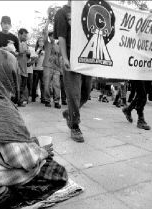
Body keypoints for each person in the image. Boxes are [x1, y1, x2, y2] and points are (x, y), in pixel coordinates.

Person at [0, 49, 68, 209]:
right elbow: (23, 159)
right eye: (13, 72)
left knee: (34, 148)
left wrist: (32, 144)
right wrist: (41, 151)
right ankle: (7, 197)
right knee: (56, 171)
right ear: (7, 74)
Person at [54, 0, 92, 142]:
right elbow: (61, 38)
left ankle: (69, 113)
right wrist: (64, 58)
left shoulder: (87, 10)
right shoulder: (62, 13)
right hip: (70, 57)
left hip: (87, 58)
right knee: (73, 93)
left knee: (86, 93)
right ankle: (74, 125)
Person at [43, 21, 62, 109]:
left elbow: (60, 57)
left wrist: (60, 68)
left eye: (54, 36)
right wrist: (47, 22)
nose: (52, 37)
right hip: (47, 67)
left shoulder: (58, 46)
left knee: (57, 85)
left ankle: (57, 101)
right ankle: (47, 100)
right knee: (47, 84)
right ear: (49, 37)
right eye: (51, 36)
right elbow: (45, 32)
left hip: (56, 68)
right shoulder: (47, 44)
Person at [17, 28, 30, 107]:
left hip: (24, 68)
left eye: (26, 36)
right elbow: (18, 52)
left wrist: (29, 54)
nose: (26, 37)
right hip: (18, 69)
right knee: (18, 86)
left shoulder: (24, 43)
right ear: (19, 34)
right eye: (24, 35)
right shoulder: (15, 43)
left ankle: (21, 100)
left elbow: (27, 57)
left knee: (23, 86)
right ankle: (19, 101)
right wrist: (24, 50)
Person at [32, 37, 46, 103]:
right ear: (37, 42)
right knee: (34, 84)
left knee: (43, 84)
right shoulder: (35, 49)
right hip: (36, 69)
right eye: (39, 41)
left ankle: (43, 98)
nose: (41, 43)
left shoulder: (46, 50)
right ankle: (33, 97)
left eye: (42, 41)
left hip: (43, 69)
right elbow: (34, 59)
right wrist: (38, 53)